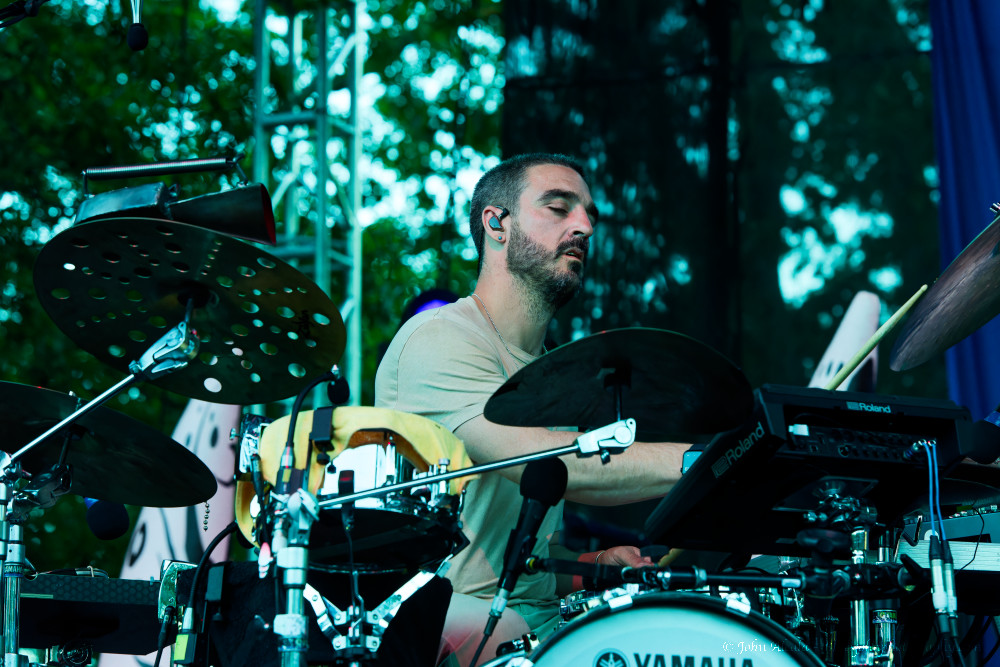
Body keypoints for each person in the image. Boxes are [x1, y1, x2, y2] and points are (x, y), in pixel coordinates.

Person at [374, 153, 690, 666]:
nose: (584, 226)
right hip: (454, 624)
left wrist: (590, 564)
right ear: (496, 223)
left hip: (533, 624)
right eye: (559, 208)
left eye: (588, 214)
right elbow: (548, 466)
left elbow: (513, 562)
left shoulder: (547, 372)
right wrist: (706, 462)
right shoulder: (440, 339)